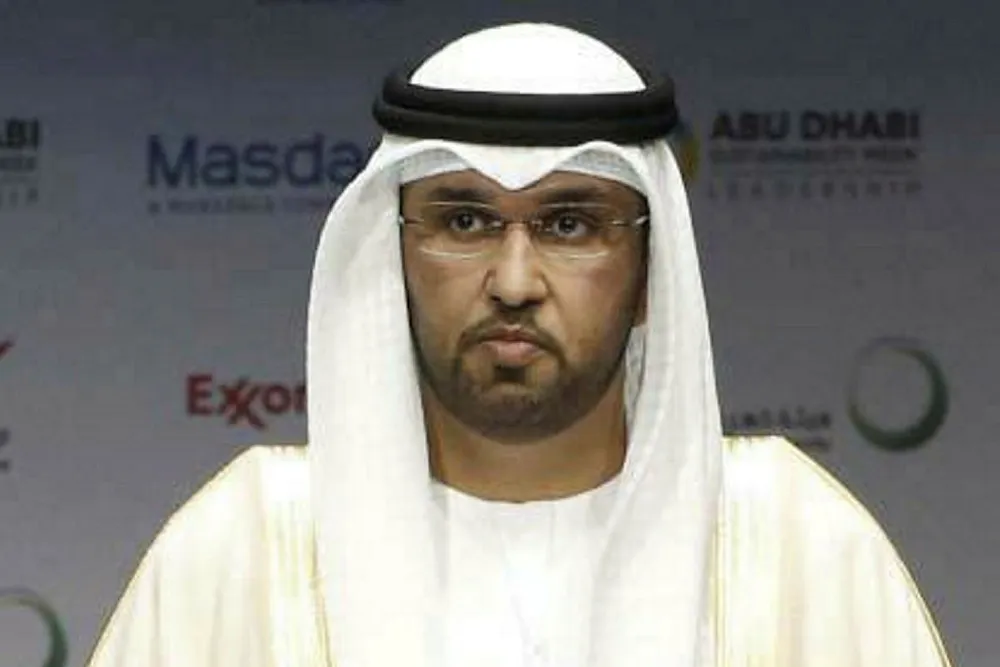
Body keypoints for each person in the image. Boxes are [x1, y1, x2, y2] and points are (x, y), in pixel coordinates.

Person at [87, 23, 952, 667]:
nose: (512, 280)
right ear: (394, 256)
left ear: (649, 271)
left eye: (569, 224)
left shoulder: (797, 548)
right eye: (464, 221)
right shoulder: (245, 548)